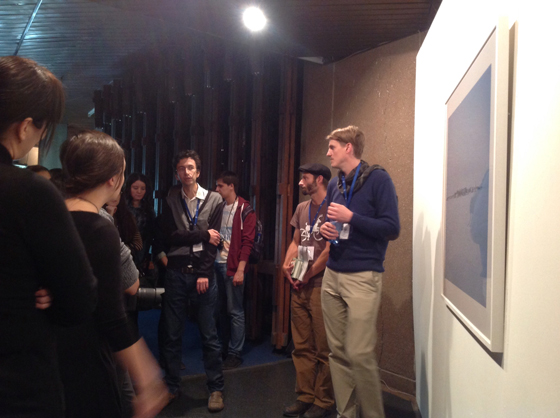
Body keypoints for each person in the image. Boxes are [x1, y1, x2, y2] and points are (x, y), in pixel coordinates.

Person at [0, 55, 97, 417]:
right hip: (17, 382)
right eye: (43, 128)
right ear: (25, 127)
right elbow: (79, 298)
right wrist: (52, 294)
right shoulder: (29, 192)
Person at [59, 130, 167, 418]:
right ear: (112, 179)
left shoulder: (47, 214)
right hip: (85, 354)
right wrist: (147, 378)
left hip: (45, 354)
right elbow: (114, 312)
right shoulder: (100, 226)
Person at [319, 126, 400, 418]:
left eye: (332, 147)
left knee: (360, 353)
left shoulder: (379, 179)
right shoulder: (335, 184)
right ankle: (346, 413)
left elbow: (392, 228)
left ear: (348, 147)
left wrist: (352, 217)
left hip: (363, 277)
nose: (328, 152)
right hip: (332, 275)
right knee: (338, 353)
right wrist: (326, 230)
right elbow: (333, 224)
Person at [156, 150, 225, 412]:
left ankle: (216, 388)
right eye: (181, 168)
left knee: (209, 334)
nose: (186, 172)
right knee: (172, 334)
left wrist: (204, 273)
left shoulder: (214, 199)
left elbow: (214, 241)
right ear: (177, 173)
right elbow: (169, 236)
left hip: (202, 272)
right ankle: (172, 387)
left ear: (198, 171)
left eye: (190, 167)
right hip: (175, 272)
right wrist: (202, 234)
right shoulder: (170, 199)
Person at [281, 163, 334, 418]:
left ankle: (323, 401)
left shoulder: (333, 207)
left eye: (305, 178)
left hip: (322, 283)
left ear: (319, 180)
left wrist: (308, 275)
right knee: (301, 345)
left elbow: (330, 250)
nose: (301, 182)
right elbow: (296, 241)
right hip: (300, 281)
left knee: (324, 347)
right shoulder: (302, 208)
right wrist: (286, 265)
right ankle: (305, 396)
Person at [214, 171, 256, 369]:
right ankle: (222, 347)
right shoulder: (219, 207)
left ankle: (235, 352)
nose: (217, 189)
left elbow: (248, 243)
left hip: (232, 266)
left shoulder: (245, 209)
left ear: (231, 186)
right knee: (220, 309)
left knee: (235, 310)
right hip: (217, 262)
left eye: (220, 186)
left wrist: (240, 270)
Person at [125, 173, 156, 273]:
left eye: (143, 189)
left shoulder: (149, 210)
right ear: (129, 188)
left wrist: (149, 257)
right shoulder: (122, 207)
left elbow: (151, 235)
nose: (139, 191)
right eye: (135, 188)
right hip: (124, 249)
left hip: (143, 250)